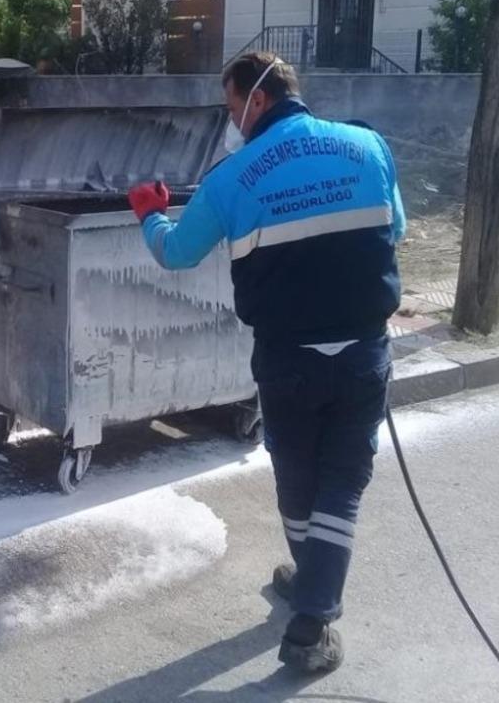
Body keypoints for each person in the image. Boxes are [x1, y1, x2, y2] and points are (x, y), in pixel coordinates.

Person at [127, 51, 405, 673]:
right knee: (342, 481)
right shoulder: (369, 147)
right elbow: (397, 229)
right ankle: (310, 582)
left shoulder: (232, 177)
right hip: (363, 351)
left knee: (302, 476)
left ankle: (311, 624)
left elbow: (175, 253)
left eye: (230, 108)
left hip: (287, 360)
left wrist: (148, 213)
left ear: (255, 100)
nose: (230, 120)